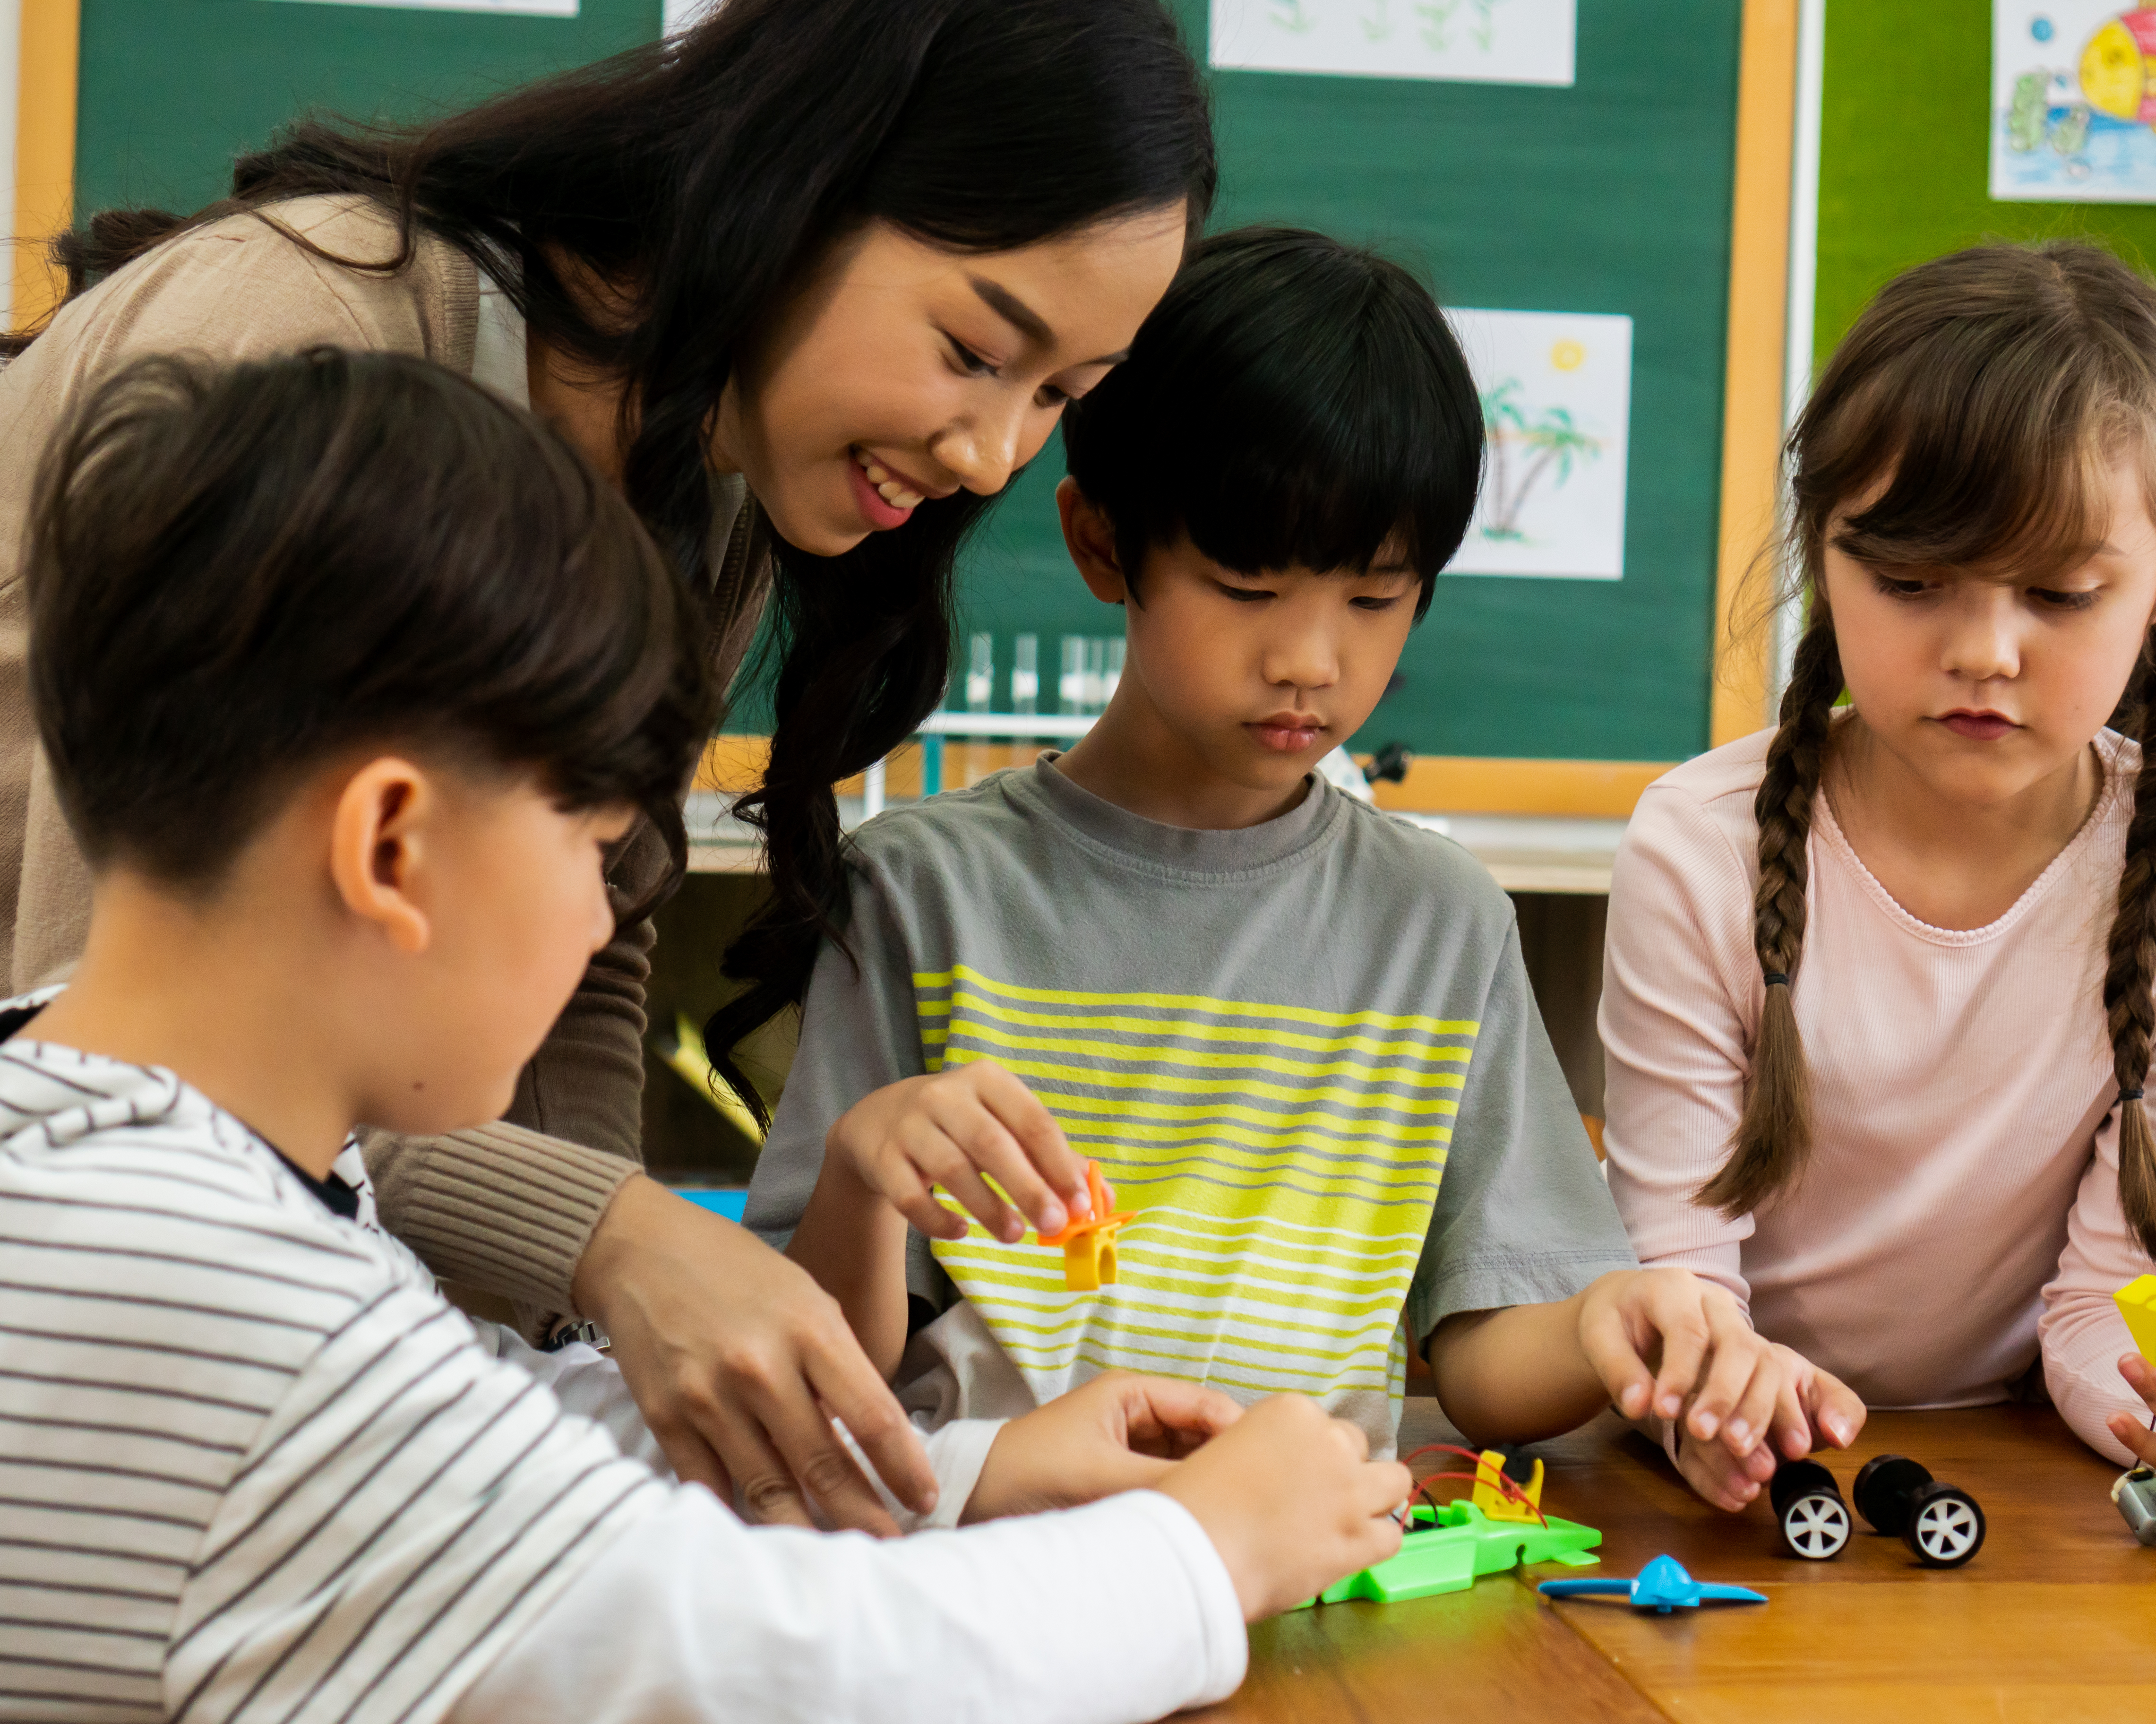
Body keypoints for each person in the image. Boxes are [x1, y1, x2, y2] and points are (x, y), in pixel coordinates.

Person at [0, 0, 1212, 1531]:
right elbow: (151, 1050)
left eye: (1059, 401)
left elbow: (586, 956)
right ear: (796, 181)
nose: (992, 456)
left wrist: (602, 1295)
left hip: (174, 1251)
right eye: (980, 351)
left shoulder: (703, 478)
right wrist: (609, 1241)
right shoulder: (298, 339)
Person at [0, 349, 1411, 1724]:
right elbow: (782, 1674)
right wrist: (1211, 1553)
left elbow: (512, 1438)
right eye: (590, 845)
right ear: (390, 849)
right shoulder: (185, 1279)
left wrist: (976, 1477)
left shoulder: (17, 1115)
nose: (602, 925)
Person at [741, 229, 1854, 1501]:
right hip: (993, 1562)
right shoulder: (924, 894)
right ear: (1102, 546)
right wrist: (860, 1173)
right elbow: (817, 1356)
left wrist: (1616, 1318)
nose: (1312, 662)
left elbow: (1486, 1356)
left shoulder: (1440, 925)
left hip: (1311, 1585)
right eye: (1246, 588)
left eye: (1375, 599)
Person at [1597, 241, 2156, 1512]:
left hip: (2019, 1475)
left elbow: (2112, 1307)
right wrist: (1716, 1389)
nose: (1985, 651)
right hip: (1741, 1488)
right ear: (1823, 551)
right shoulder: (1696, 846)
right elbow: (1679, 1274)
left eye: (2060, 593)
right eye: (1911, 582)